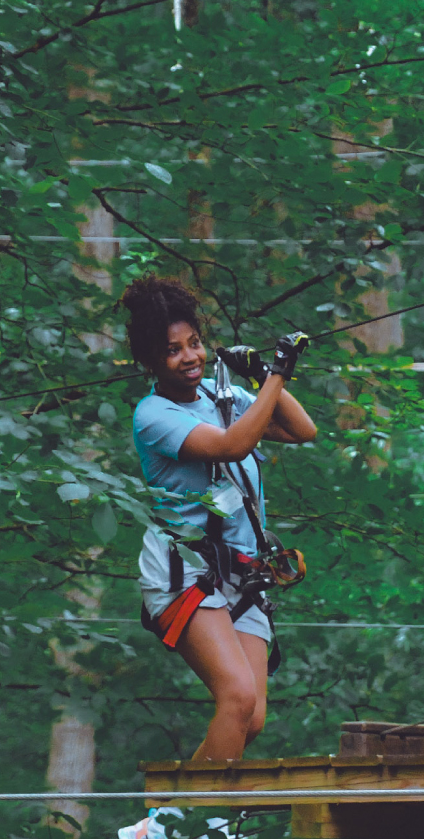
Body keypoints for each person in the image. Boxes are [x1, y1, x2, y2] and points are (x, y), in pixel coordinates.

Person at [123, 275, 316, 762]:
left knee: (250, 718)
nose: (189, 357)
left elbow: (301, 430)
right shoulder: (154, 415)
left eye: (194, 344)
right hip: (185, 570)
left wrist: (259, 377)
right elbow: (233, 445)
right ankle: (195, 823)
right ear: (150, 360)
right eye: (173, 351)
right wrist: (278, 374)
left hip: (241, 573)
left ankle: (169, 820)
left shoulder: (219, 396)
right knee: (237, 696)